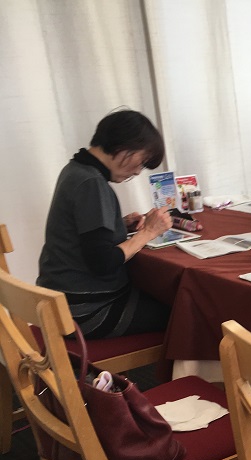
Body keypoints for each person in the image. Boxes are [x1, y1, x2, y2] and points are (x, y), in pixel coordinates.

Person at [37, 109, 173, 339]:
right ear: (125, 148)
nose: (137, 171)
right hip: (85, 311)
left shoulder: (74, 170)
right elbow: (103, 263)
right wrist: (148, 232)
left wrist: (118, 225)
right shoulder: (92, 183)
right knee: (183, 311)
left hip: (59, 300)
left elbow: (81, 233)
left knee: (165, 297)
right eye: (141, 162)